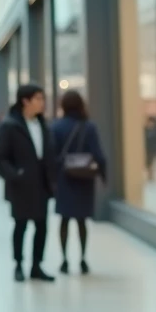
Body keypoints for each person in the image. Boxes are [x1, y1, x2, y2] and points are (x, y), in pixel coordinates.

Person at [0, 84, 56, 282]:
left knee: (42, 226)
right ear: (25, 101)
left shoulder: (42, 124)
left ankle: (36, 265)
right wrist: (15, 174)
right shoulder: (11, 125)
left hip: (41, 183)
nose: (42, 103)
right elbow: (0, 158)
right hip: (21, 185)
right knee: (20, 225)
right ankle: (18, 264)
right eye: (38, 99)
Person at [50, 90, 107, 274]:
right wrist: (103, 175)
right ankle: (83, 258)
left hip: (64, 179)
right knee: (82, 221)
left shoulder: (56, 127)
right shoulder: (89, 127)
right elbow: (98, 154)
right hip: (84, 179)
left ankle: (64, 259)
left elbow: (51, 155)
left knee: (64, 220)